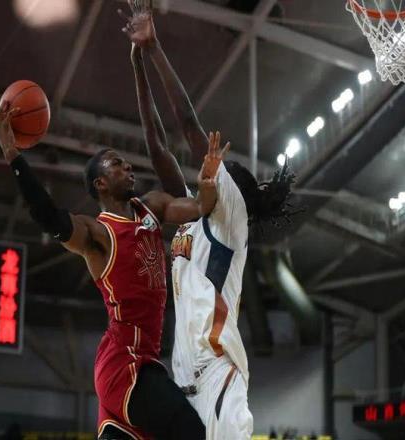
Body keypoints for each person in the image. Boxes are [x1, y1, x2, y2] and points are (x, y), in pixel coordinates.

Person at [0, 98, 226, 439]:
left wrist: (209, 183)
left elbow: (201, 207)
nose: (128, 166)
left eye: (127, 163)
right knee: (193, 433)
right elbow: (48, 216)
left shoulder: (153, 206)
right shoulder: (98, 234)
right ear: (100, 183)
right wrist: (12, 153)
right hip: (125, 366)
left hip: (143, 363)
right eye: (117, 164)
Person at [120, 1, 297, 438]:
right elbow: (157, 147)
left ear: (233, 190)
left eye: (220, 170)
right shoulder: (192, 214)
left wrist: (155, 47)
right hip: (186, 386)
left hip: (218, 376)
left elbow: (186, 122)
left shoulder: (230, 217)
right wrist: (137, 63)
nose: (209, 168)